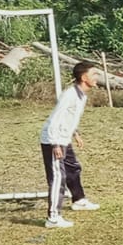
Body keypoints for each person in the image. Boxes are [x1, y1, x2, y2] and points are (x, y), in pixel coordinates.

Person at [40, 62, 100, 230]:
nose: (97, 77)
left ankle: (79, 200)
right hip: (54, 140)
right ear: (83, 77)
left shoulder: (82, 95)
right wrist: (54, 144)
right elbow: (55, 118)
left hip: (64, 138)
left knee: (73, 168)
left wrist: (75, 133)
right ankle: (53, 218)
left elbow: (69, 118)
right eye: (94, 74)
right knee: (58, 177)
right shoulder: (69, 95)